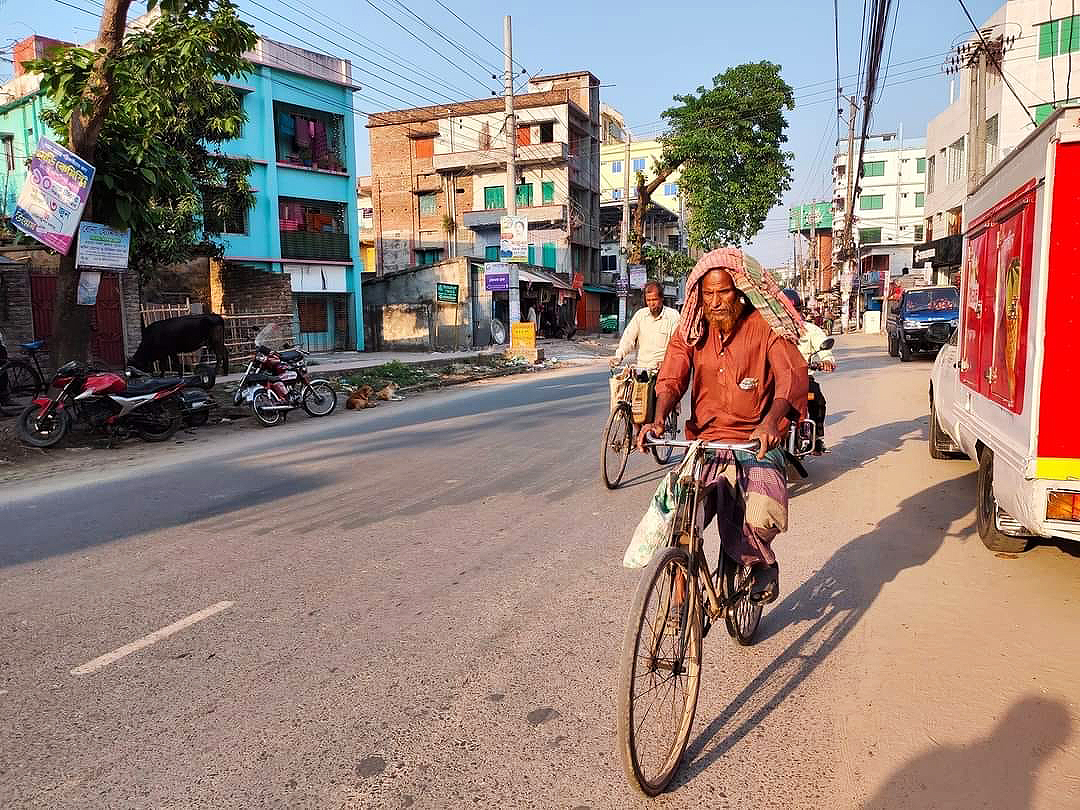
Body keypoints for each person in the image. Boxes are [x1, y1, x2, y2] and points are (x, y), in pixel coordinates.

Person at [638, 249, 808, 603]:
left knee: (760, 517)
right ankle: (680, 606)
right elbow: (671, 379)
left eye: (724, 292)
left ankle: (763, 565)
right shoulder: (692, 332)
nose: (715, 302)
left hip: (755, 445)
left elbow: (789, 376)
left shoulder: (763, 328)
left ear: (741, 292)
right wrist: (656, 418)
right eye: (708, 294)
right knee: (680, 520)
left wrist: (771, 422)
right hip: (706, 445)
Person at [608, 280, 680, 417]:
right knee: (634, 404)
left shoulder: (672, 316)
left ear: (661, 299)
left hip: (663, 370)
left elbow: (677, 345)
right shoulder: (640, 315)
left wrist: (667, 363)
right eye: (649, 300)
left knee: (658, 409)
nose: (652, 303)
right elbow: (628, 338)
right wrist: (619, 356)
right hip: (643, 369)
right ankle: (634, 435)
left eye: (655, 299)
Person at [782, 288, 835, 454]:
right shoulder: (771, 330)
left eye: (794, 311)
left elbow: (825, 350)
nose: (791, 315)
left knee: (818, 400)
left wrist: (826, 361)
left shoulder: (811, 330)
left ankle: (817, 437)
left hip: (803, 378)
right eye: (786, 311)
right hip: (778, 379)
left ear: (800, 311)